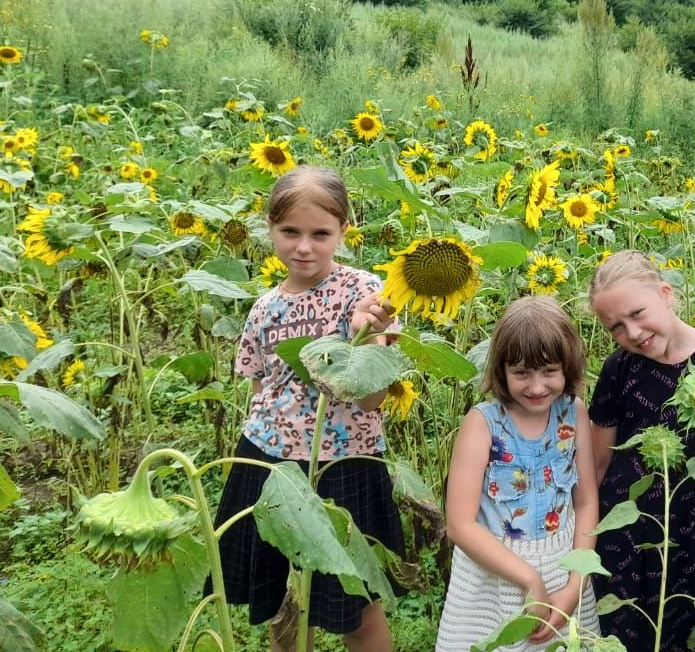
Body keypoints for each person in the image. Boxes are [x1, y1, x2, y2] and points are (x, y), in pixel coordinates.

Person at [213, 166, 403, 652]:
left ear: (344, 230)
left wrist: (366, 335)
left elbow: (371, 397)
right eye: (289, 232)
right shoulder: (263, 309)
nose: (304, 247)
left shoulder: (362, 292)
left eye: (320, 233)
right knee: (286, 606)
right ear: (270, 230)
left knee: (357, 605)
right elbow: (260, 391)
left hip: (345, 466)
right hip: (272, 467)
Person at [588, 251, 695, 652]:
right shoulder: (619, 369)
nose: (632, 332)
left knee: (691, 633)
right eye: (616, 327)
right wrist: (588, 532)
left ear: (666, 294)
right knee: (627, 631)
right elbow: (599, 460)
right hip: (628, 532)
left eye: (637, 313)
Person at [435, 296, 600, 652]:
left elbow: (586, 502)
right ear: (501, 371)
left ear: (567, 367)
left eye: (549, 371)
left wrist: (577, 584)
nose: (537, 386)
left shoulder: (574, 414)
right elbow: (460, 524)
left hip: (565, 564)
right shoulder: (483, 424)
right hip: (495, 576)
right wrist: (529, 578)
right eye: (522, 373)